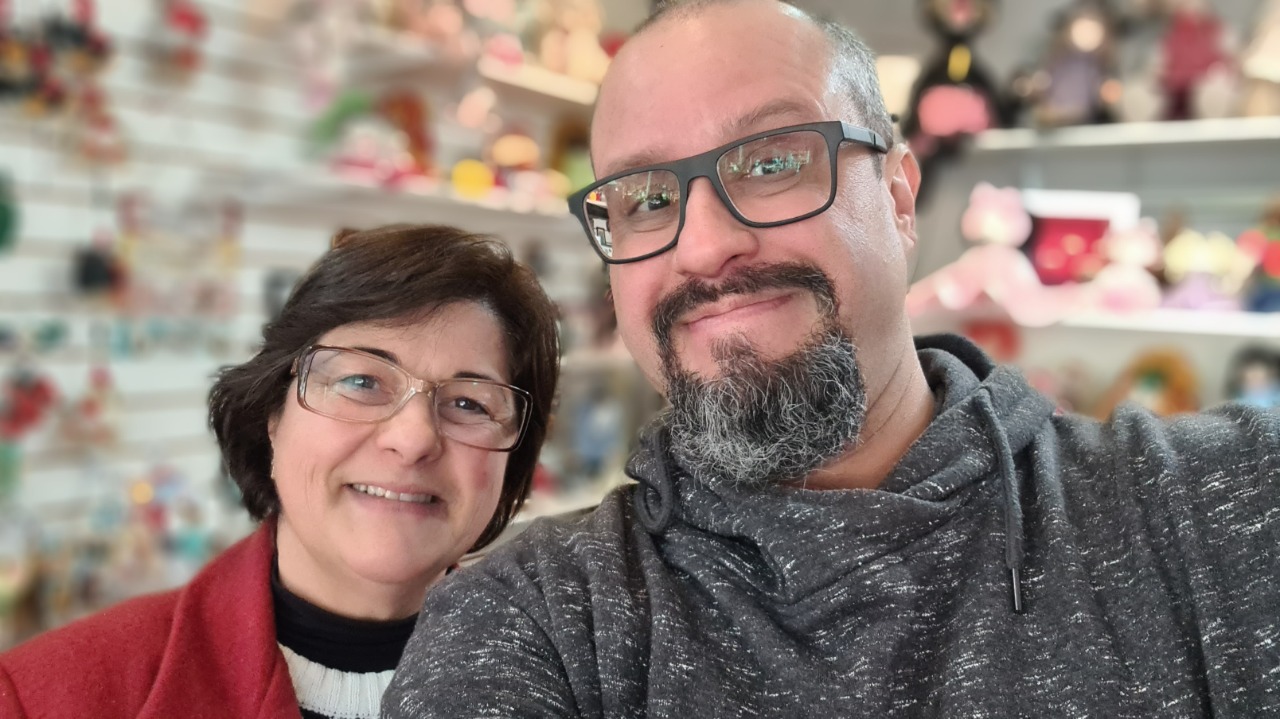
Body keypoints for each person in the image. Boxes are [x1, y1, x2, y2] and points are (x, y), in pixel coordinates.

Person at [383, 2, 1280, 717]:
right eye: (646, 198)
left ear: (898, 197)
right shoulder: (532, 619)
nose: (705, 246)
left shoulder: (1217, 506)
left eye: (773, 161)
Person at [0, 224, 559, 719]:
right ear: (273, 416)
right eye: (361, 382)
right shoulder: (40, 696)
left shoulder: (579, 684)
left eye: (468, 403)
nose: (413, 439)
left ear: (512, 461)